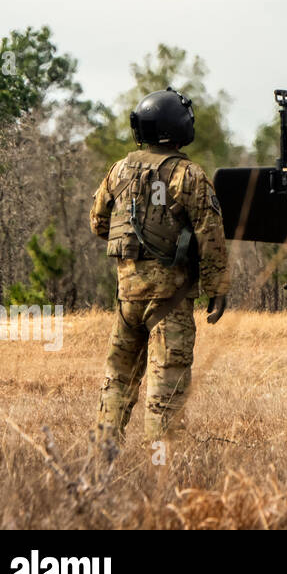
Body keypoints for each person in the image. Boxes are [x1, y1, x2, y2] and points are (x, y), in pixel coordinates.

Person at [89, 87, 229, 445]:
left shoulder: (119, 170)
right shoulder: (189, 176)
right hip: (171, 303)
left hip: (128, 300)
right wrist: (217, 290)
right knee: (166, 394)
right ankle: (162, 472)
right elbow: (210, 236)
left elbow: (98, 223)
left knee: (117, 381)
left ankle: (101, 457)